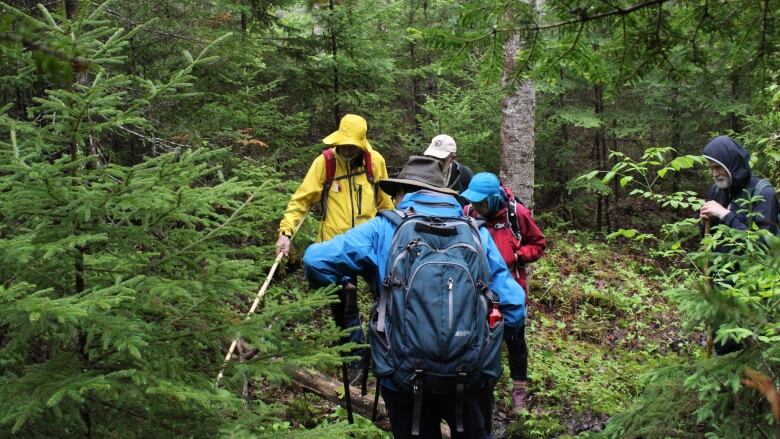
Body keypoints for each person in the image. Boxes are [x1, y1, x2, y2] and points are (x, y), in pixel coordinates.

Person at [303, 156, 526, 438]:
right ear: (441, 192)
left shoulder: (384, 228)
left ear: (403, 193)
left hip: (402, 371)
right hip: (471, 371)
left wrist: (340, 281)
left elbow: (315, 260)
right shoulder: (476, 232)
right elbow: (515, 306)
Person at [275, 114, 394, 380]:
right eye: (344, 144)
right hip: (337, 245)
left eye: (353, 145)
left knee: (386, 298)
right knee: (344, 305)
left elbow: (386, 204)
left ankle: (385, 353)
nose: (348, 149)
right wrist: (286, 232)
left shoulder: (375, 162)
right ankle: (355, 360)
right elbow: (301, 201)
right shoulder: (325, 163)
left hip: (372, 243)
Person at [460, 172, 546, 411]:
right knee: (481, 340)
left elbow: (539, 244)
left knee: (515, 340)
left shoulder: (516, 214)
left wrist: (518, 255)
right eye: (474, 202)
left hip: (512, 288)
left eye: (482, 202)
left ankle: (519, 392)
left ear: (495, 198)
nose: (477, 207)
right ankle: (483, 390)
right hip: (478, 290)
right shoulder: (467, 214)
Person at [699, 135, 778, 355]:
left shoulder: (763, 192)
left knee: (749, 353)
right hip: (721, 286)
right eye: (711, 168)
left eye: (718, 167)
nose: (714, 173)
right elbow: (707, 237)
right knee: (721, 350)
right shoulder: (718, 191)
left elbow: (764, 246)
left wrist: (725, 214)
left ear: (731, 163)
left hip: (754, 292)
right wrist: (704, 219)